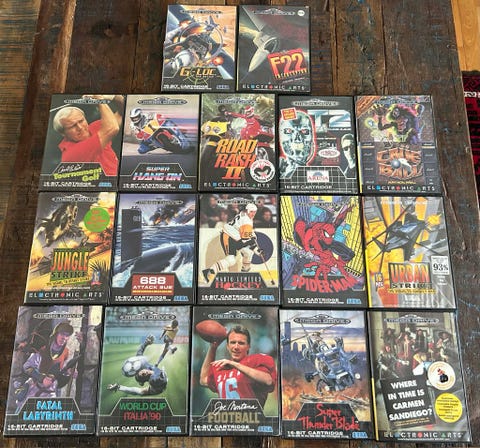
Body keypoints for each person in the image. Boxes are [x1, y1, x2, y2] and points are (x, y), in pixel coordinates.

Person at [199, 325, 276, 407]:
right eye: (233, 342)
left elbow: (268, 380)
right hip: (225, 414)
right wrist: (213, 347)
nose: (236, 347)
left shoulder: (254, 361)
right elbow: (203, 380)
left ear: (248, 346)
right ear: (227, 346)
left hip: (250, 414)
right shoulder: (223, 367)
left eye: (241, 343)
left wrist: (235, 365)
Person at [14, 321, 80, 410]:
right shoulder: (43, 349)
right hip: (34, 390)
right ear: (56, 334)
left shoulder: (65, 352)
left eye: (67, 335)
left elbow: (60, 370)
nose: (64, 338)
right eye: (62, 334)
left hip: (50, 393)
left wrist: (68, 372)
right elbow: (27, 367)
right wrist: (41, 377)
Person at [52, 94, 124, 176]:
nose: (80, 127)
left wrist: (112, 97)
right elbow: (113, 128)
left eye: (81, 121)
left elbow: (122, 111)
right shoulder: (71, 153)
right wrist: (100, 101)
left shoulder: (94, 128)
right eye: (72, 126)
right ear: (63, 133)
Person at [202, 203, 264, 282]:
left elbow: (244, 230)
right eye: (251, 211)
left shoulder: (243, 213)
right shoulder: (247, 221)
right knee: (231, 259)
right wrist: (257, 251)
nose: (253, 214)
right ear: (247, 211)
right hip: (228, 236)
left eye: (255, 212)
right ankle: (208, 272)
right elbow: (246, 240)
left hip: (235, 236)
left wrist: (252, 235)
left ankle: (244, 271)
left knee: (248, 253)